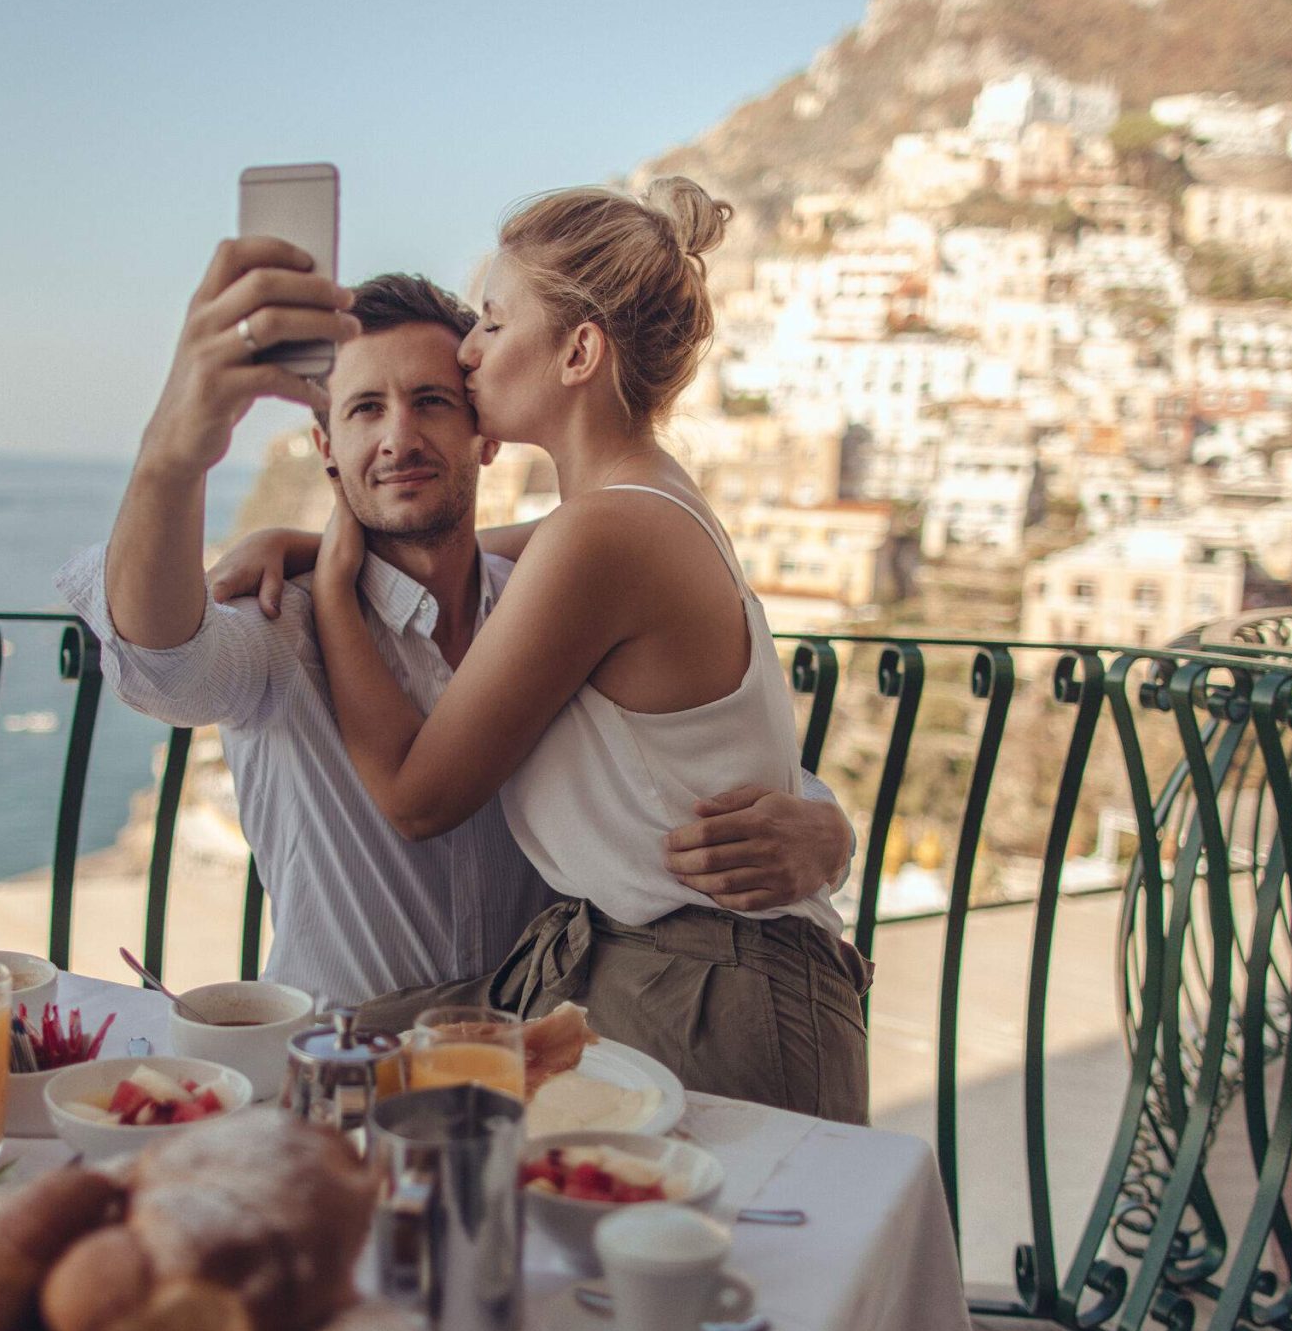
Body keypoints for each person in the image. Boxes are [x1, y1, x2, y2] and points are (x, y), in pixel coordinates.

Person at [54, 236, 853, 1018]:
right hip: (343, 1075)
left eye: (431, 402)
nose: (399, 436)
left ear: (488, 432)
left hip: (543, 1076)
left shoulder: (557, 603)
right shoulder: (285, 621)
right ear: (327, 449)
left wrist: (825, 828)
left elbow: (688, 748)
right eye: (366, 408)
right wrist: (173, 452)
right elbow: (161, 660)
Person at [300, 180, 872, 1121]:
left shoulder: (600, 536)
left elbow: (416, 795)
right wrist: (311, 545)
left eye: (489, 321)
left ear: (578, 350)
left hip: (705, 996)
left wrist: (327, 587)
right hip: (685, 977)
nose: (469, 350)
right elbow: (475, 550)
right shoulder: (639, 503)